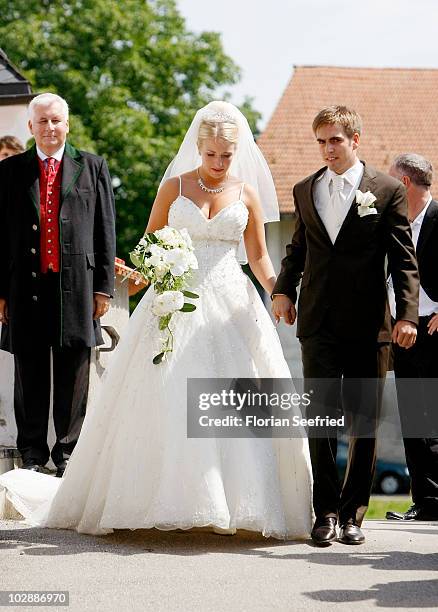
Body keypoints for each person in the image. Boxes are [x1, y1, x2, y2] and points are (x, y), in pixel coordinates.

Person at [0, 101, 312, 540]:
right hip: (174, 302)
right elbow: (150, 243)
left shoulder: (247, 193)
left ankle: (233, 505)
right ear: (198, 149)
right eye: (211, 155)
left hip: (231, 303)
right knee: (164, 396)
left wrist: (280, 290)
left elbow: (259, 256)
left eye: (227, 155)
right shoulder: (174, 186)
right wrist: (134, 274)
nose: (219, 163)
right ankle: (158, 502)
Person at [272, 105, 419, 545]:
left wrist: (407, 315)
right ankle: (326, 513)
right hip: (317, 322)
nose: (327, 149)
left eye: (335, 140)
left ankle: (355, 515)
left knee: (363, 422)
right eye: (321, 141)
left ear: (355, 139)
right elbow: (298, 251)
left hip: (369, 325)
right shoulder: (304, 190)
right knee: (320, 420)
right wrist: (283, 290)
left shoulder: (388, 190)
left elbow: (404, 261)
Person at [0, 93, 116, 477]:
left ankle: (67, 454)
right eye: (42, 122)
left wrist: (104, 287)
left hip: (78, 287)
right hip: (24, 287)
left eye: (56, 121)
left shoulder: (93, 167)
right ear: (30, 127)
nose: (50, 128)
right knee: (29, 374)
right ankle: (32, 454)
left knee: (74, 373)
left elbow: (105, 231)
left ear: (67, 124)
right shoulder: (10, 171)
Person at [385, 153, 438, 521]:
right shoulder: (393, 223)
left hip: (435, 331)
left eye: (391, 181)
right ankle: (425, 503)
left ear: (404, 183)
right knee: (414, 419)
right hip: (402, 331)